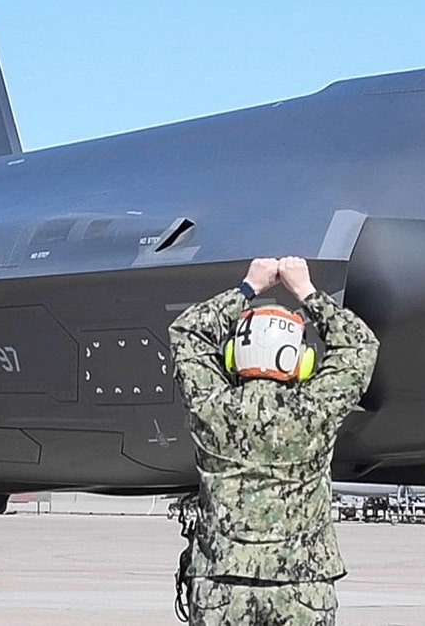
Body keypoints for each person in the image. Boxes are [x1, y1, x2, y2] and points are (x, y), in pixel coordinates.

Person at [169, 256, 379, 625]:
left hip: (222, 583)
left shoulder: (212, 407)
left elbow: (187, 333)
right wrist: (307, 291)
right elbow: (358, 347)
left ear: (234, 356)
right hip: (302, 585)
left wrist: (248, 288)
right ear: (300, 362)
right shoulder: (313, 410)